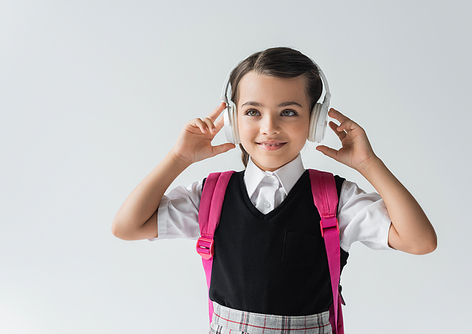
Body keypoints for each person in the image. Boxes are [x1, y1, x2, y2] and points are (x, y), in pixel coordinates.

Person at [112, 47, 437, 334]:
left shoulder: (335, 200)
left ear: (315, 121)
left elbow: (419, 240)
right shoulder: (210, 196)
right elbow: (128, 226)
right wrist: (179, 158)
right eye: (252, 111)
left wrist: (368, 163)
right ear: (232, 119)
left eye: (289, 111)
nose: (269, 126)